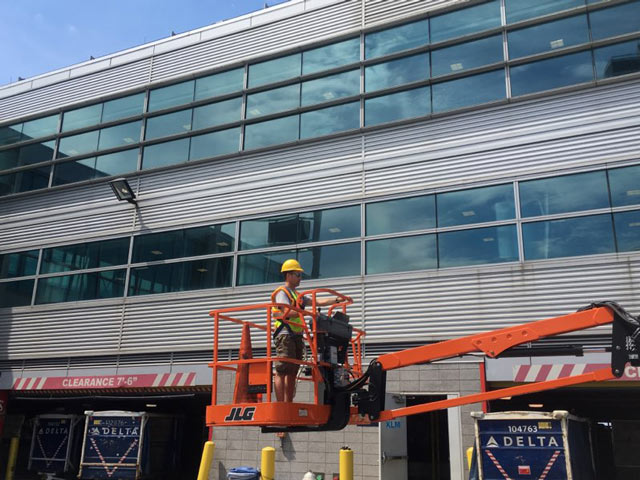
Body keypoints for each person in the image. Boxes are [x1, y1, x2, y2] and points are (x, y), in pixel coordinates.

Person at [271, 259, 339, 403]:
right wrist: (307, 313)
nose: (300, 278)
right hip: (285, 334)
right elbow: (286, 312)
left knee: (293, 371)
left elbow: (317, 301)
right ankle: (280, 404)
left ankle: (288, 402)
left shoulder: (298, 295)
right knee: (282, 370)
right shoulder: (282, 292)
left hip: (296, 335)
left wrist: (337, 300)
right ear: (288, 275)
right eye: (298, 274)